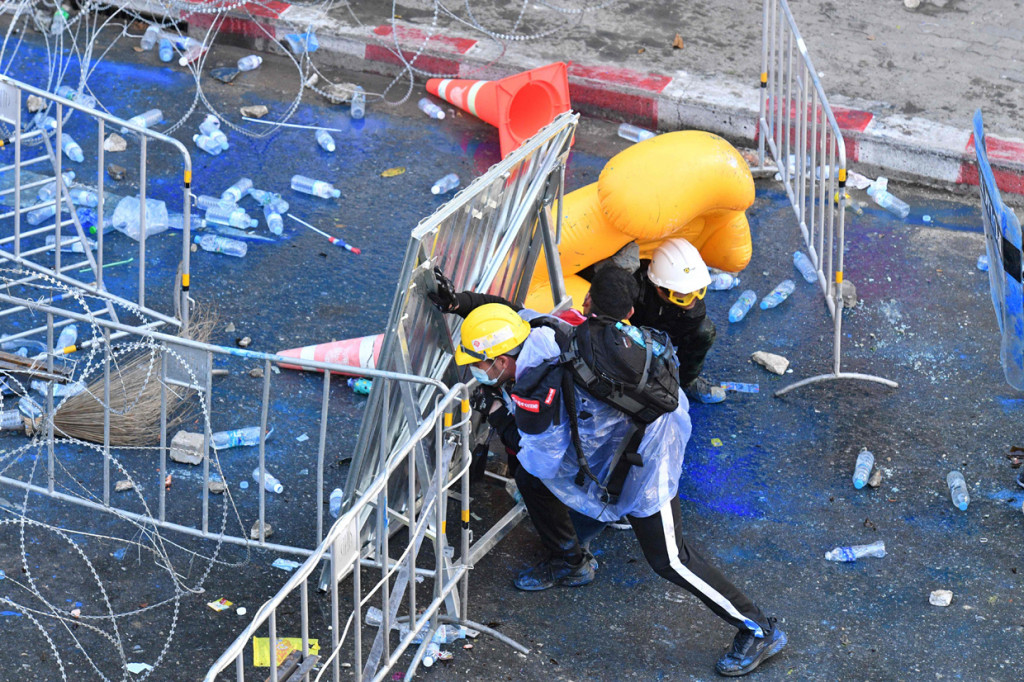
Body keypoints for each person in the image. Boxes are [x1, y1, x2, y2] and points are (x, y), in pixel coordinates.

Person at [445, 267, 786, 677]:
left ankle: (758, 627)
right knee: (530, 483)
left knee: (669, 560)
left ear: (502, 361)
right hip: (626, 439)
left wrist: (500, 416)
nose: (476, 372)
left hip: (649, 456)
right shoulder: (546, 328)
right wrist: (457, 303)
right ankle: (570, 562)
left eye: (480, 365)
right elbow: (506, 311)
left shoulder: (537, 390)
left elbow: (543, 459)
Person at [589, 238, 726, 404]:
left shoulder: (691, 306)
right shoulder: (634, 287)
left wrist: (660, 357)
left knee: (705, 331)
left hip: (660, 330)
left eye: (698, 291)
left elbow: (665, 341)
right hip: (629, 331)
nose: (692, 299)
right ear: (659, 289)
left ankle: (685, 382)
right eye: (683, 294)